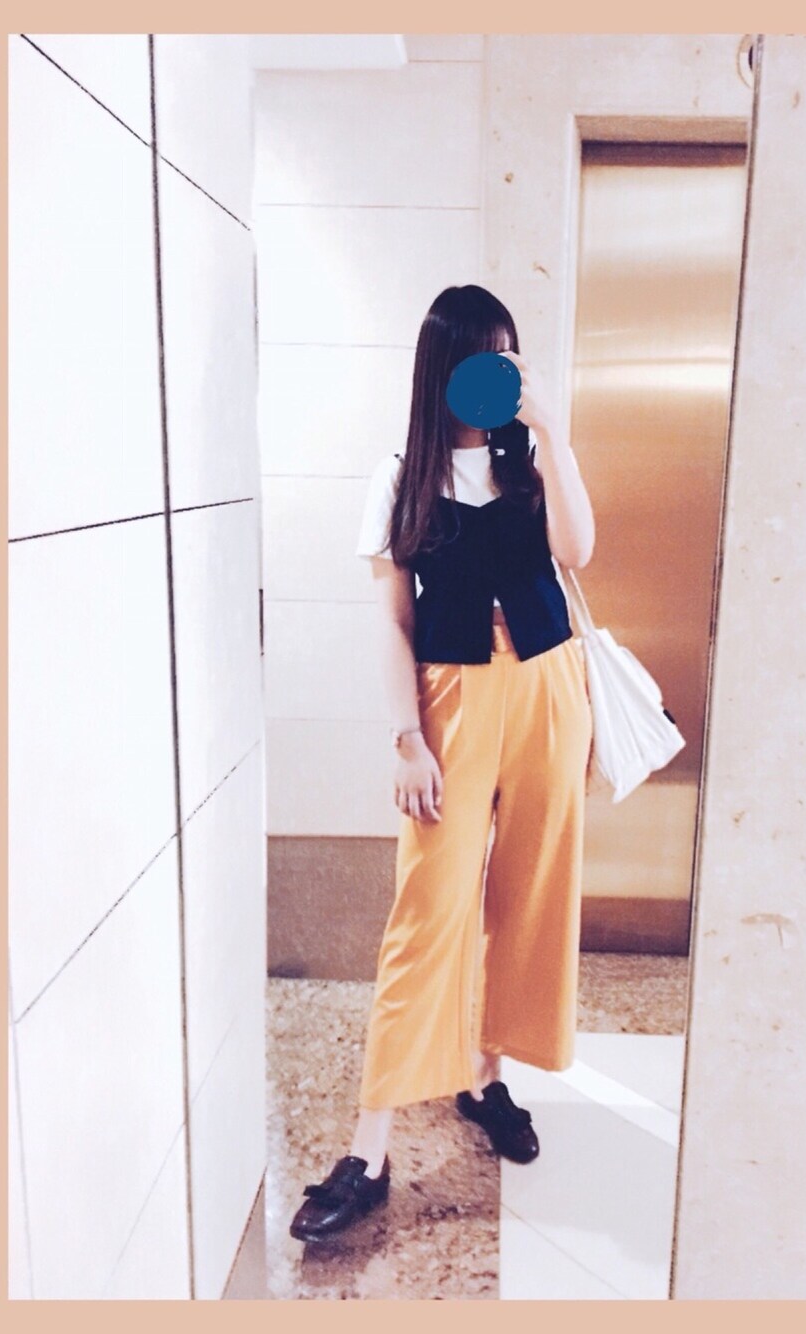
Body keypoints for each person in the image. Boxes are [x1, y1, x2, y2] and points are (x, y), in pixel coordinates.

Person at [290, 284, 595, 1244]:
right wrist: (407, 737)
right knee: (427, 913)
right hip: (451, 701)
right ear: (442, 371)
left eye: (505, 357)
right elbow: (393, 623)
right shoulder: (401, 480)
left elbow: (579, 552)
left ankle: (486, 1078)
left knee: (530, 892)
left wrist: (553, 431)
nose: (492, 376)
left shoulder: (531, 462)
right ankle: (370, 1151)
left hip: (549, 689)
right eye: (476, 360)